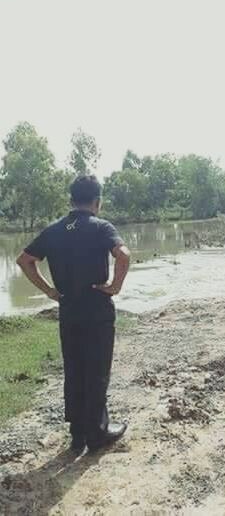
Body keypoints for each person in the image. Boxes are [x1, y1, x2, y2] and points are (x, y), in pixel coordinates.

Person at [16, 176, 131, 453]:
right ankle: (97, 432)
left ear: (71, 200)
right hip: (97, 307)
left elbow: (24, 260)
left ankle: (77, 434)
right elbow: (124, 255)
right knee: (97, 370)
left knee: (75, 368)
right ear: (97, 202)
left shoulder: (53, 230)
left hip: (68, 308)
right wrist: (114, 287)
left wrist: (49, 291)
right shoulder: (101, 227)